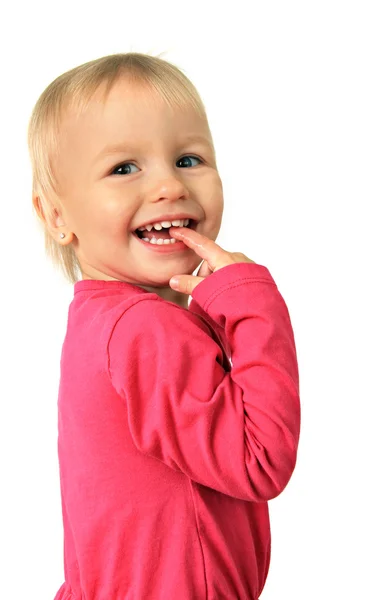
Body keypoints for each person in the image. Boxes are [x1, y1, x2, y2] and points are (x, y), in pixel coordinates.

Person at [27, 52, 301, 600]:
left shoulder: (102, 320)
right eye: (124, 168)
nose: (169, 187)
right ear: (58, 217)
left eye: (189, 159)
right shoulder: (144, 330)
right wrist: (254, 305)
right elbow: (259, 460)